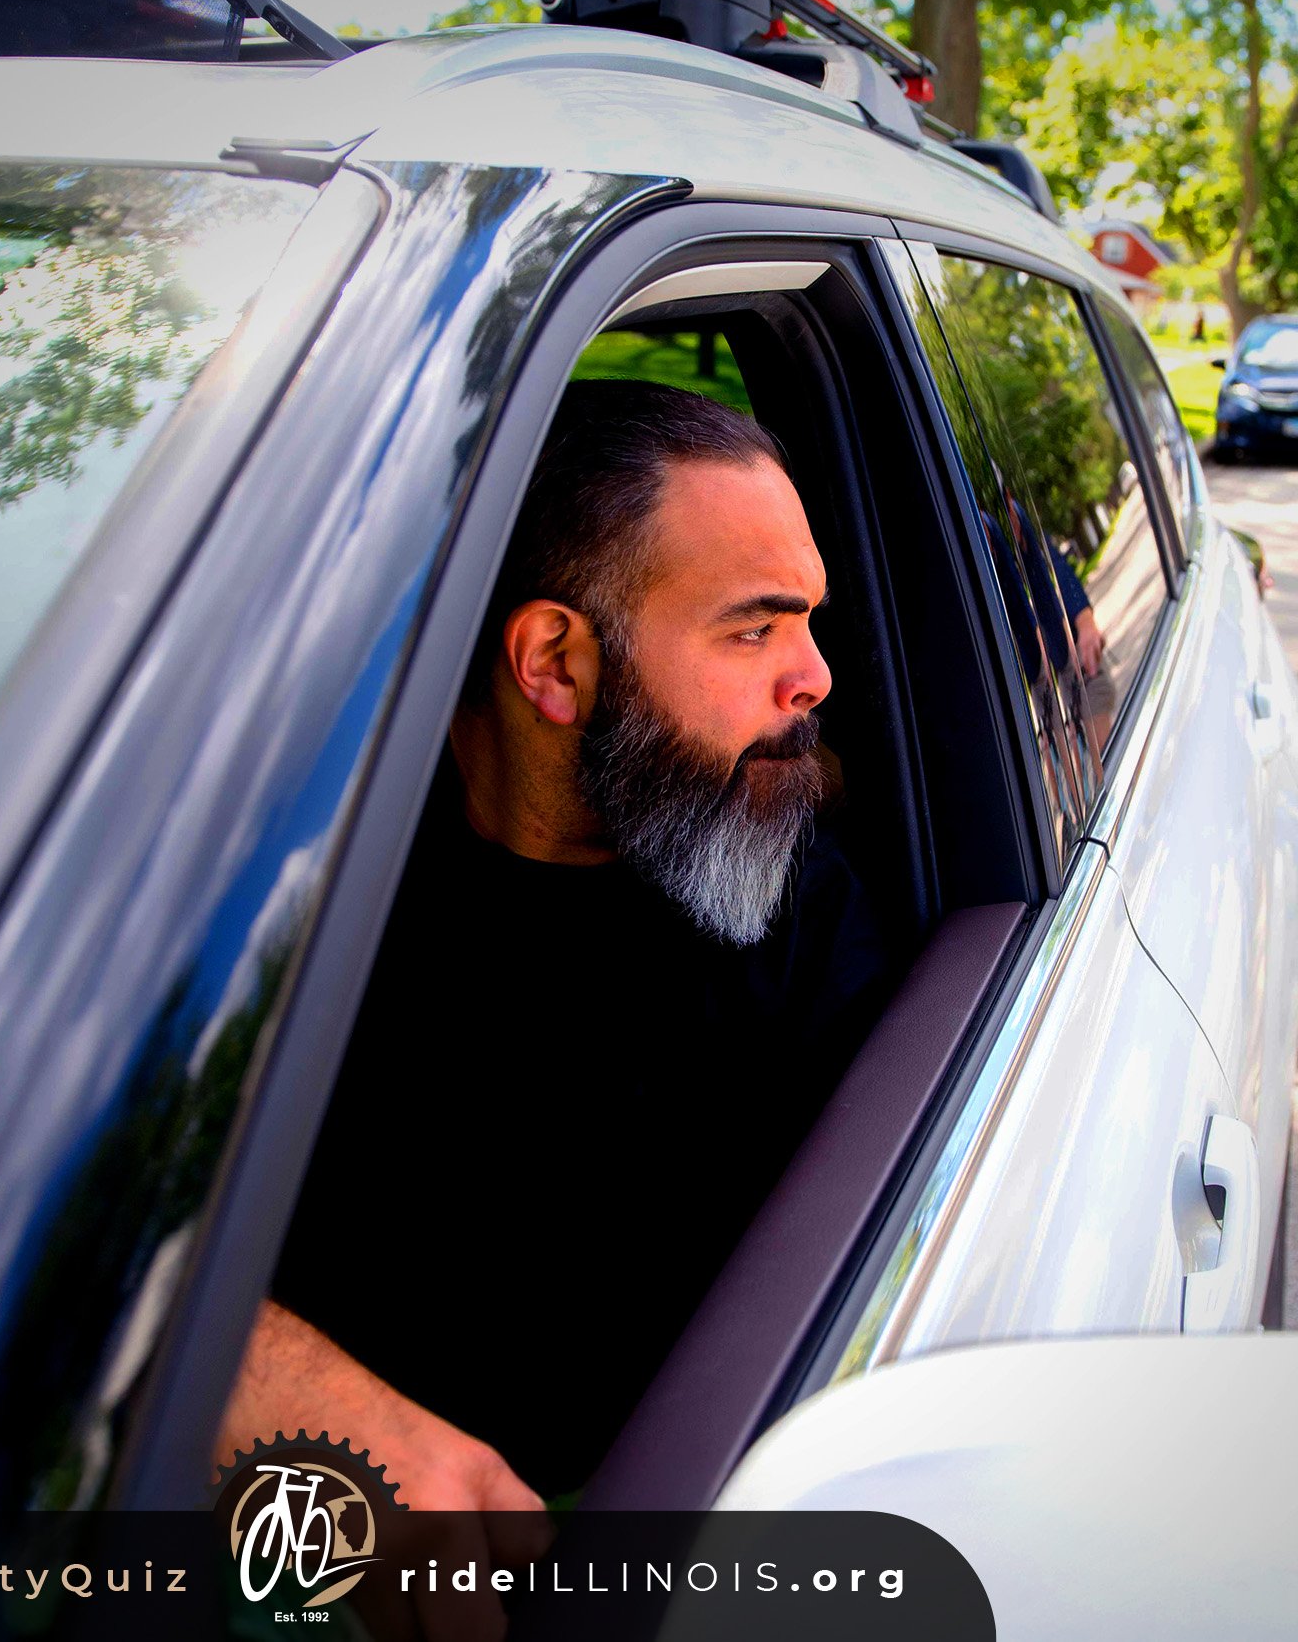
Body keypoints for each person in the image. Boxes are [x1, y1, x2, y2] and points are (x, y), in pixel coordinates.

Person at [218, 379, 891, 1509]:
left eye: (808, 622)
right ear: (556, 663)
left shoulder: (802, 923)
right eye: (756, 627)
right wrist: (278, 1391)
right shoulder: (291, 878)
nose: (817, 677)